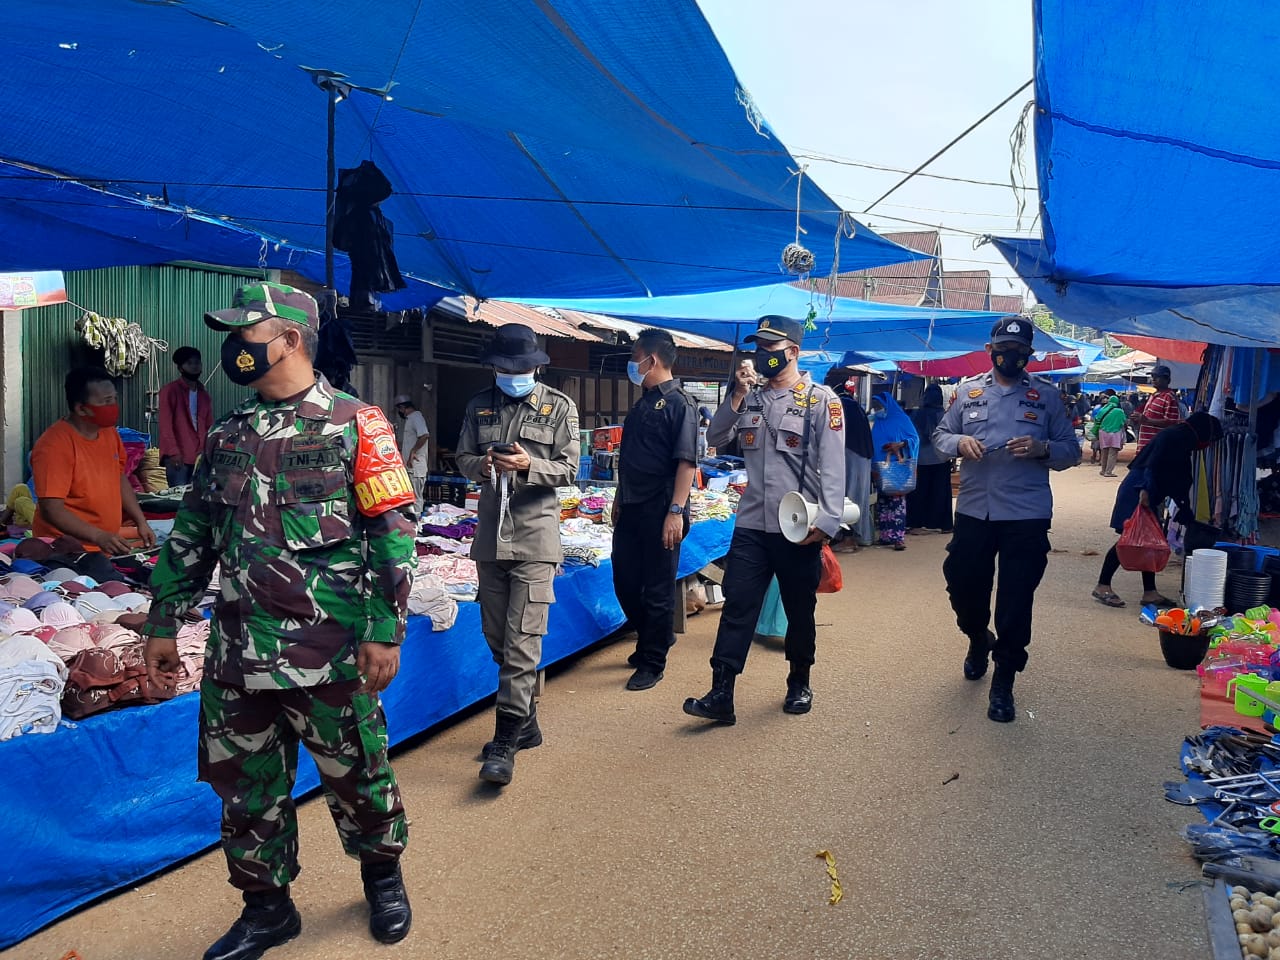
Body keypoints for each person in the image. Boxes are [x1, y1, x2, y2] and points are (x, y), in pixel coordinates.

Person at [141, 283, 417, 959]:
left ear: (290, 338)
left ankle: (382, 876)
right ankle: (267, 909)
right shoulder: (228, 434)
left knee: (357, 775)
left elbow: (392, 531)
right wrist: (161, 620)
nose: (233, 344)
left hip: (328, 651)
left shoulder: (358, 424)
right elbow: (194, 534)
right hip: (237, 655)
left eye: (247, 329)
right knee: (246, 791)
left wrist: (386, 630)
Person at [683, 315, 845, 724]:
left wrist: (827, 522)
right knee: (738, 603)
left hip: (798, 526)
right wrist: (736, 393)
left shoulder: (821, 400)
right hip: (753, 521)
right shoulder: (751, 398)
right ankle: (721, 692)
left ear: (792, 351)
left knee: (798, 608)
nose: (761, 355)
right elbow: (716, 438)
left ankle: (799, 680)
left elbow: (834, 465)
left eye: (770, 348)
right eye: (758, 348)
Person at [933, 316, 1080, 723]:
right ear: (989, 350)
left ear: (1028, 355)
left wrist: (1041, 447)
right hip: (974, 510)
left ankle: (1005, 679)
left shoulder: (1046, 397)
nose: (1010, 356)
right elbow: (940, 436)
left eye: (1019, 351)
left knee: (1016, 600)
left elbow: (1072, 450)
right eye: (1003, 349)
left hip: (1026, 515)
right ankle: (978, 637)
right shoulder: (967, 392)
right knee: (963, 586)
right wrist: (960, 441)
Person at [455, 323, 579, 785]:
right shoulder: (477, 405)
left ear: (535, 366)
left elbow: (569, 470)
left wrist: (530, 465)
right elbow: (463, 456)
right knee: (497, 639)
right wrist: (483, 464)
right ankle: (526, 724)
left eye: (523, 368)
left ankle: (506, 738)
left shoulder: (558, 406)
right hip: (490, 537)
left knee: (523, 641)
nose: (514, 375)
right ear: (494, 367)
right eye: (507, 368)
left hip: (534, 538)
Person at [611, 328, 698, 691]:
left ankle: (652, 660)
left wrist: (675, 511)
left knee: (658, 588)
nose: (632, 364)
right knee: (625, 583)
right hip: (631, 505)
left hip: (663, 508)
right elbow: (629, 458)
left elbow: (687, 463)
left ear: (652, 359)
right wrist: (619, 496)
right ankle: (655, 635)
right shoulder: (643, 401)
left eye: (634, 357)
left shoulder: (680, 404)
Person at [31, 368, 157, 571]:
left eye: (114, 399)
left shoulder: (109, 433)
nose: (114, 406)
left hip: (105, 545)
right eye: (106, 401)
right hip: (65, 552)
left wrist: (141, 521)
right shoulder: (53, 446)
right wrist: (98, 536)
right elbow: (51, 509)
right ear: (81, 409)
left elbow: (118, 477)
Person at [1092, 412, 1223, 608]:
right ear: (1203, 431)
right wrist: (1145, 489)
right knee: (1130, 539)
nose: (1209, 444)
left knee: (1149, 542)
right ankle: (1102, 586)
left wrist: (1185, 510)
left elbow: (1179, 479)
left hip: (1149, 491)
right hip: (1139, 490)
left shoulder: (1182, 442)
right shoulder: (1171, 436)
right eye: (1211, 439)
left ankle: (1150, 592)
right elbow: (1151, 464)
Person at [823, 369, 873, 551]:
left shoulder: (840, 404)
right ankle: (860, 536)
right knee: (859, 495)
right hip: (862, 456)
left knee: (846, 496)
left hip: (849, 455)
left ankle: (848, 539)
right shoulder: (853, 404)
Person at [158, 346, 213, 487]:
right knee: (178, 499)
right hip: (178, 455)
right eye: (190, 363)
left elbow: (209, 425)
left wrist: (208, 451)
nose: (195, 367)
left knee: (195, 501)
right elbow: (165, 425)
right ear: (181, 368)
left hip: (199, 455)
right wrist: (173, 452)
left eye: (197, 363)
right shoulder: (170, 391)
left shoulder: (204, 395)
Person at [869, 394, 919, 551]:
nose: (878, 408)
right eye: (876, 405)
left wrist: (900, 444)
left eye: (880, 405)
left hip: (897, 464)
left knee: (897, 501)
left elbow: (914, 439)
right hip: (878, 465)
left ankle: (898, 537)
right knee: (883, 500)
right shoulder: (875, 420)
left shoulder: (901, 419)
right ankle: (885, 536)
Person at [906, 383, 954, 534]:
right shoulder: (945, 415)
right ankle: (945, 525)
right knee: (941, 493)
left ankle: (916, 524)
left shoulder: (915, 414)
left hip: (920, 459)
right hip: (941, 458)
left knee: (919, 492)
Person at [393, 394, 430, 516]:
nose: (400, 412)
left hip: (416, 466)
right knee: (409, 496)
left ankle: (417, 523)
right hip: (409, 466)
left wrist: (413, 452)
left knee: (416, 496)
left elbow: (424, 435)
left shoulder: (416, 417)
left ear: (403, 407)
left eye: (399, 409)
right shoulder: (410, 419)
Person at [1136, 365, 1182, 450]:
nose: (1153, 379)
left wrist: (1147, 420)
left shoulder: (1169, 397)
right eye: (1152, 376)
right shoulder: (1154, 395)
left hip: (1157, 447)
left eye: (1157, 377)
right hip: (1147, 446)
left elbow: (1171, 422)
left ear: (1167, 380)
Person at [1095, 393, 1129, 477]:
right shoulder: (1120, 411)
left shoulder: (1103, 409)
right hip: (1115, 433)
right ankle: (1108, 472)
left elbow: (1096, 419)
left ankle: (1103, 470)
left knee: (1104, 452)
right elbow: (1124, 422)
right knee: (1112, 453)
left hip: (1103, 432)